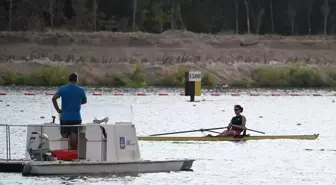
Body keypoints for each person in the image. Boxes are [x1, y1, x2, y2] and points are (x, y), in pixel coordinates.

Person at [52, 72, 87, 150]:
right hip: (76, 117)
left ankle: (64, 152)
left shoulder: (63, 88)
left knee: (64, 135)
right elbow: (84, 101)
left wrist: (58, 109)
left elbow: (54, 98)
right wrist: (77, 102)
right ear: (77, 80)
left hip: (64, 117)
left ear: (69, 79)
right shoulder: (81, 90)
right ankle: (73, 152)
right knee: (74, 135)